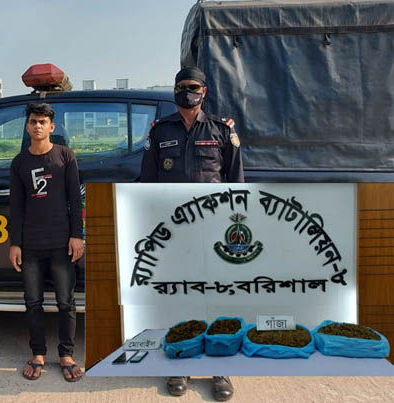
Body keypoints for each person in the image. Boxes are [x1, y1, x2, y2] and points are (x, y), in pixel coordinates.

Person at [141, 67, 244, 401]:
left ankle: (220, 368)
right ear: (175, 91)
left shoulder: (221, 130)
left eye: (193, 87)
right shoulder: (159, 131)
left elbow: (236, 184)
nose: (188, 92)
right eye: (182, 87)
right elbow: (147, 184)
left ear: (204, 91)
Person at [9, 103, 85, 382]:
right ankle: (38, 353)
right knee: (33, 302)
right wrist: (14, 244)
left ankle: (66, 354)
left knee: (66, 301)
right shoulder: (19, 163)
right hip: (30, 244)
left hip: (62, 243)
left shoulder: (65, 157)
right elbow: (16, 207)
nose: (38, 126)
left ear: (52, 127)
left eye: (43, 121)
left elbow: (76, 201)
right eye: (33, 121)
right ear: (27, 127)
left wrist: (78, 236)